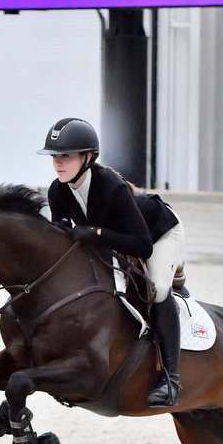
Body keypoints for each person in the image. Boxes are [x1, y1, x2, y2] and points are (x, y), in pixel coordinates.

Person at [38, 117, 186, 407]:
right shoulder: (58, 191)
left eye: (66, 155)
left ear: (88, 157)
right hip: (120, 237)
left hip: (159, 233)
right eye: (55, 156)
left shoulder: (110, 186)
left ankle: (171, 379)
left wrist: (94, 233)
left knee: (156, 289)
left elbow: (141, 245)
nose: (58, 163)